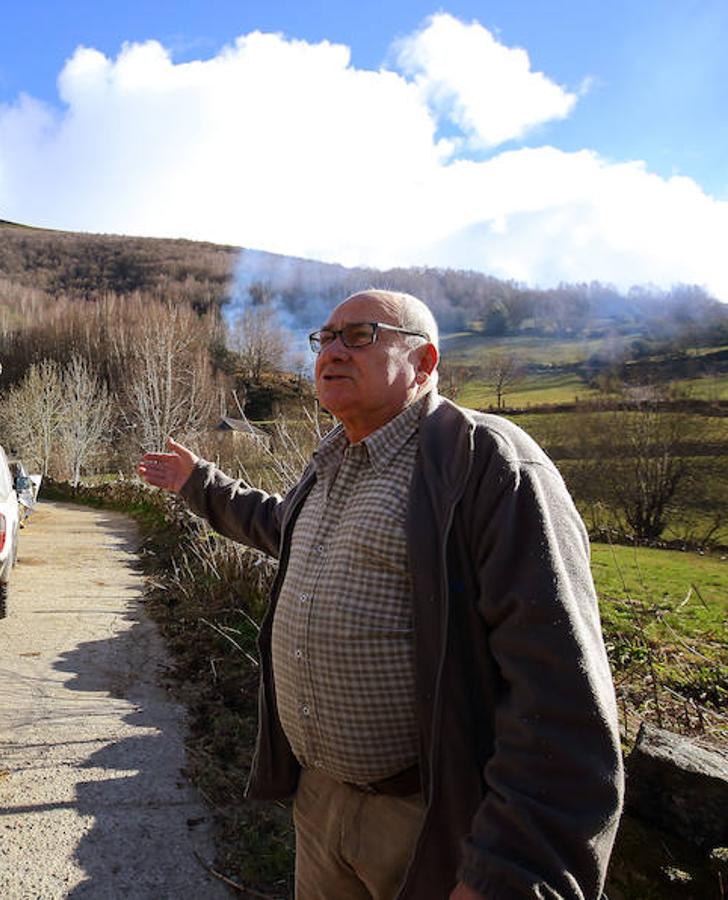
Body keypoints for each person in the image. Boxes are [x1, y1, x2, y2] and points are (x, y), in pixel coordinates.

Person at [137, 290, 622, 899]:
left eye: (360, 334)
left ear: (423, 363)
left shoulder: (485, 464)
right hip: (320, 805)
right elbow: (277, 526)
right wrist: (199, 482)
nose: (332, 350)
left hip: (428, 820)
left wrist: (513, 870)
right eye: (326, 337)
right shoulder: (333, 462)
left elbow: (559, 694)